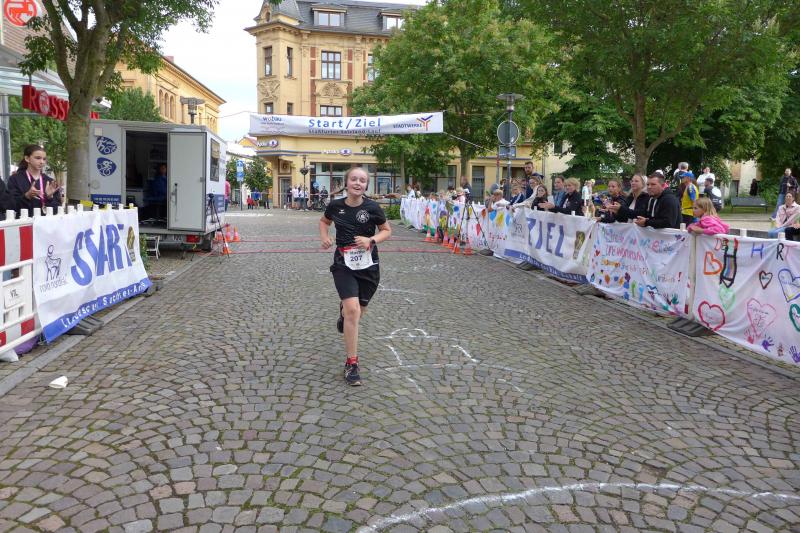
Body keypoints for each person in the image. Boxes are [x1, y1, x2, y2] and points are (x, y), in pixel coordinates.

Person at [319, 167, 392, 386]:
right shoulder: (335, 206)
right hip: (344, 263)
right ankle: (352, 363)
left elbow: (387, 230)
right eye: (353, 179)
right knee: (353, 311)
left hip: (368, 267)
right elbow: (324, 221)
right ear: (346, 182)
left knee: (359, 312)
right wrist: (325, 237)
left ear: (366, 185)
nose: (357, 183)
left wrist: (371, 240)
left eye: (362, 180)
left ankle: (344, 315)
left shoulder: (372, 208)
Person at [8, 144, 62, 216]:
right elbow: (10, 206)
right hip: (25, 222)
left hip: (46, 222)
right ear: (27, 158)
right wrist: (26, 196)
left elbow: (57, 210)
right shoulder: (15, 179)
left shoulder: (50, 182)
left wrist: (49, 198)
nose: (42, 162)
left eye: (44, 159)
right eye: (38, 158)